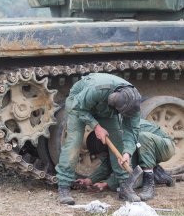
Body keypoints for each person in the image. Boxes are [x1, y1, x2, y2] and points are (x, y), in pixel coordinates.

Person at [56, 73, 141, 204]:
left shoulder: (133, 102)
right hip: (79, 103)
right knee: (74, 141)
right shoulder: (98, 89)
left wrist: (128, 152)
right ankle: (64, 185)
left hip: (106, 111)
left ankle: (125, 186)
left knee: (117, 141)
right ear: (113, 101)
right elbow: (78, 107)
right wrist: (96, 126)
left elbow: (131, 130)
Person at [78, 118, 175, 201]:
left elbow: (127, 169)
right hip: (145, 150)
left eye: (102, 154)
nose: (101, 157)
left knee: (133, 180)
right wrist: (90, 180)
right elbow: (108, 163)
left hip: (164, 146)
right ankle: (157, 173)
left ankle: (149, 187)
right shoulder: (111, 135)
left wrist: (106, 184)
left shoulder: (119, 136)